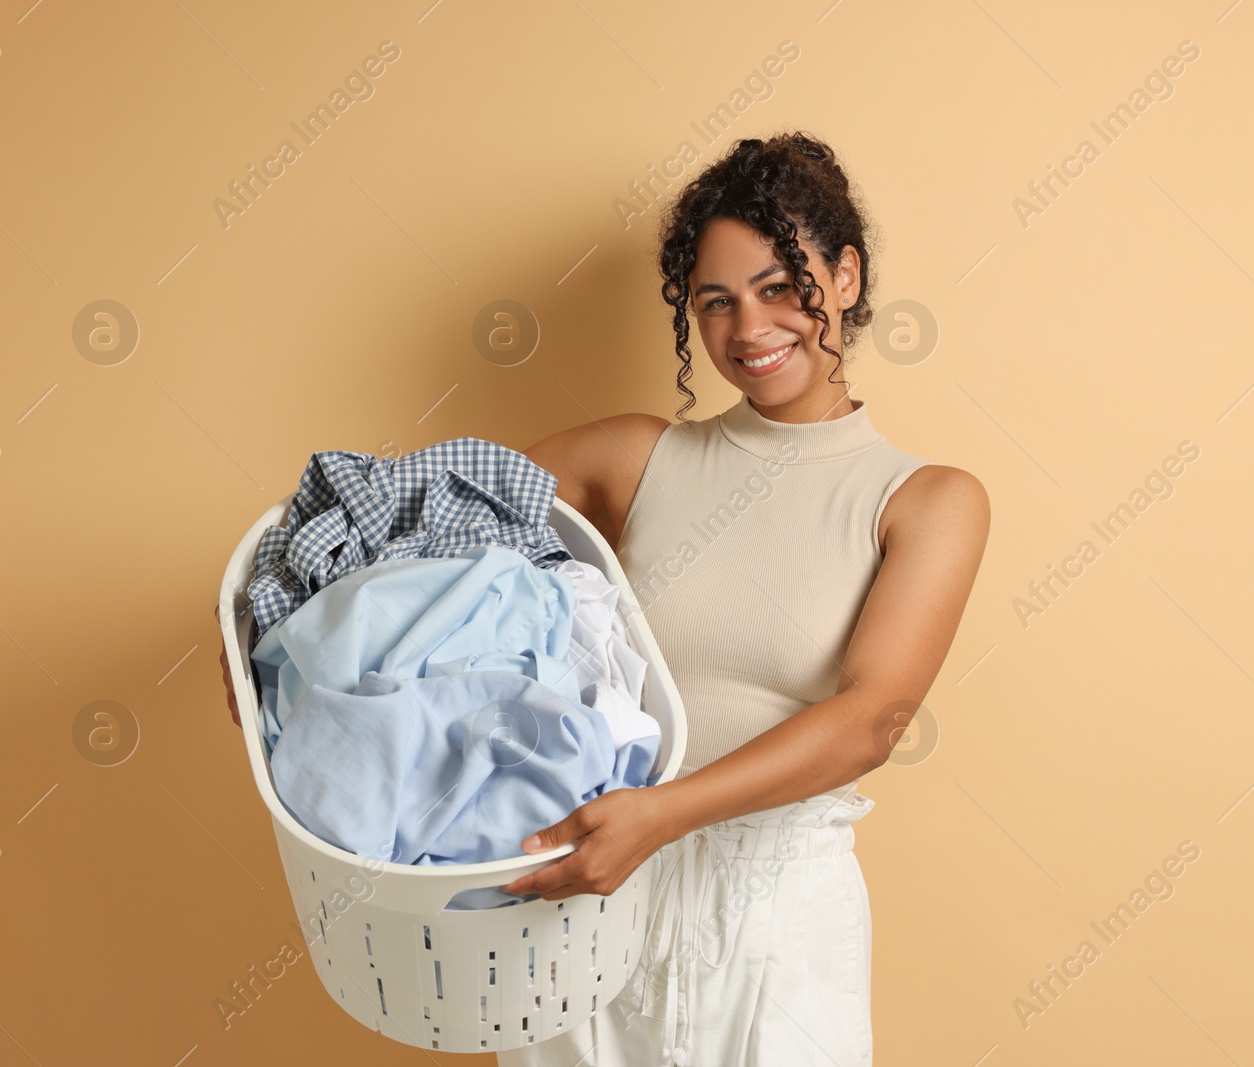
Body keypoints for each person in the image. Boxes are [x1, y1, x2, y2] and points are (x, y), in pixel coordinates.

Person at [217, 130, 990, 1066]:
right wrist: (263, 634)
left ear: (848, 276)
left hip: (775, 916)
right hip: (586, 903)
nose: (749, 330)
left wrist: (662, 815)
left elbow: (872, 718)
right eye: (716, 303)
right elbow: (402, 531)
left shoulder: (925, 501)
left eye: (780, 289)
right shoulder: (637, 458)